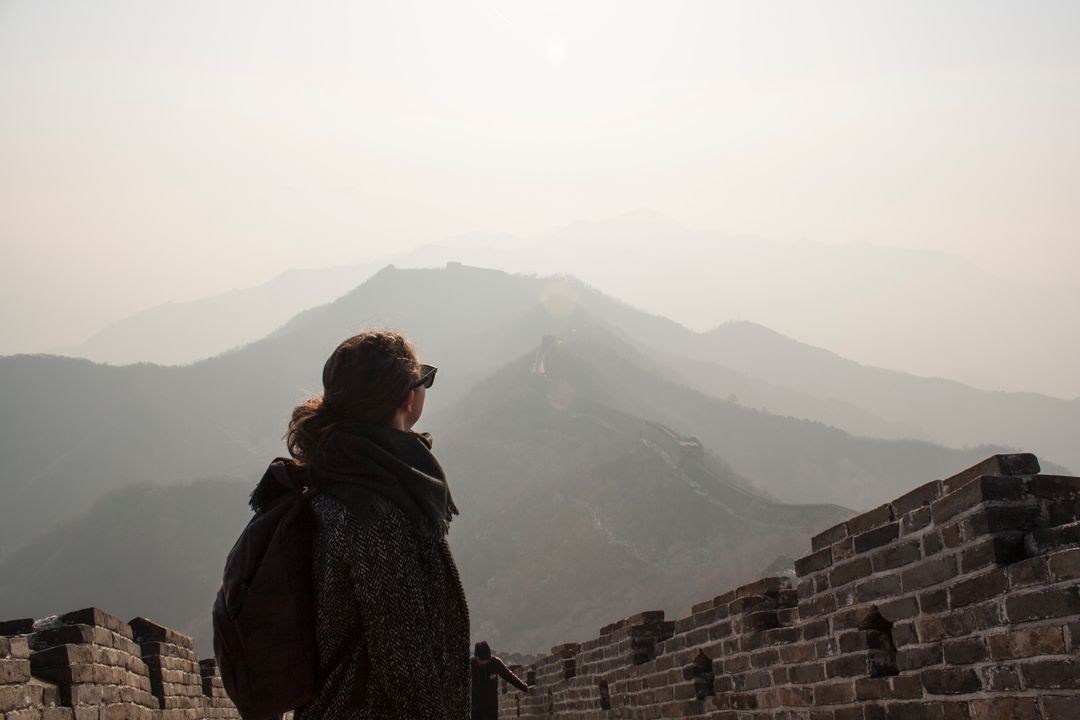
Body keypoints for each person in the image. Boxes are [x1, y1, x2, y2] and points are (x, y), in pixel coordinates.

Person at [278, 331, 470, 720]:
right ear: (407, 397)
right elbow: (404, 661)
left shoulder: (331, 479)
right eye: (424, 379)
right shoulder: (373, 506)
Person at [471, 641, 532, 720]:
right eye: (482, 661)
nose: (485, 663)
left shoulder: (495, 663)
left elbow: (509, 676)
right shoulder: (471, 666)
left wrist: (525, 688)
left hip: (491, 706)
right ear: (476, 657)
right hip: (475, 707)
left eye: (486, 660)